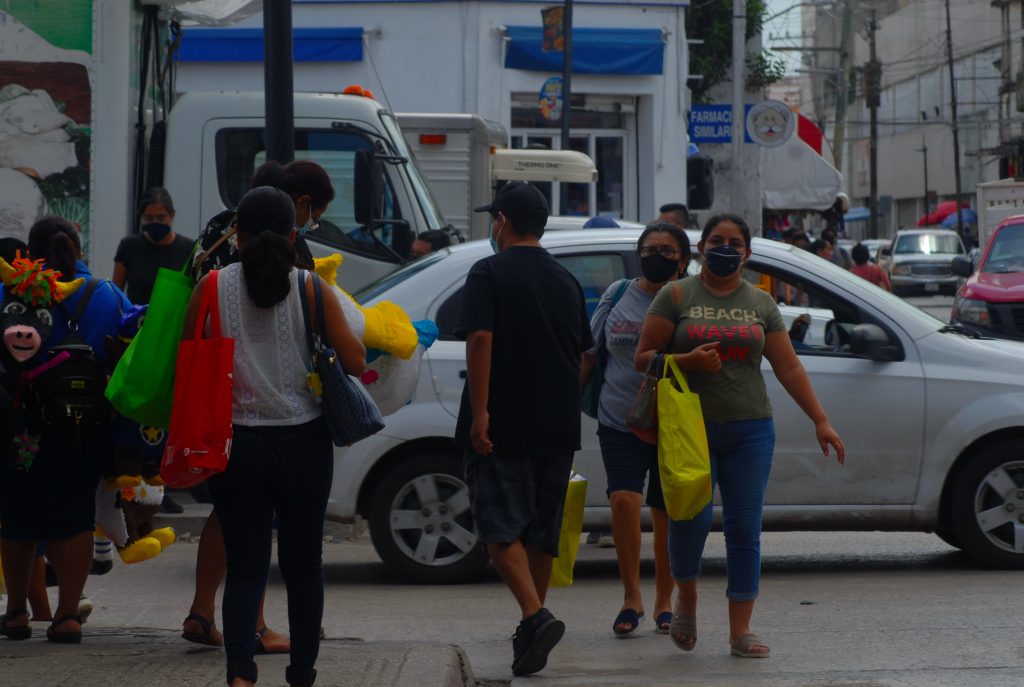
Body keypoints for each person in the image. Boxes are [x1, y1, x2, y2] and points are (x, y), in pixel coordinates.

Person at [634, 212, 845, 659]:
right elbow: (643, 357)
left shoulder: (760, 303)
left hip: (750, 430)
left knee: (744, 529)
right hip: (689, 431)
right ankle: (686, 602)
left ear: (747, 254)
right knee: (688, 523)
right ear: (701, 248)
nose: (724, 249)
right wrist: (687, 360)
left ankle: (741, 629)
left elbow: (788, 366)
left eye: (734, 243)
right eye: (716, 241)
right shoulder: (676, 295)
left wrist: (820, 419)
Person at [181, 186, 364, 687]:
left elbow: (189, 360)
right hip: (304, 445)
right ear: (292, 234)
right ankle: (301, 672)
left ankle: (241, 673)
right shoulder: (310, 287)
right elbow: (354, 361)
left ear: (236, 236)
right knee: (304, 567)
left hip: (236, 445)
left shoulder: (211, 286)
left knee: (245, 568)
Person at [456, 181, 592, 676]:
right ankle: (532, 628)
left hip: (503, 421)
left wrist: (481, 412)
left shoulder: (487, 271)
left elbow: (480, 339)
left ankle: (536, 616)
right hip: (558, 424)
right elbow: (586, 354)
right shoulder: (566, 279)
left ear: (504, 222)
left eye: (495, 219)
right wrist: (560, 398)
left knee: (498, 527)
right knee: (540, 533)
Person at [0, 217, 130, 644]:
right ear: (78, 250)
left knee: (18, 517)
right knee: (74, 516)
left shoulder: (9, 292)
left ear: (28, 254)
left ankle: (16, 613)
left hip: (21, 427)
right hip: (83, 427)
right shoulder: (104, 294)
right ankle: (67, 615)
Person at [581, 221, 690, 638]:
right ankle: (631, 598)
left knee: (666, 513)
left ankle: (664, 600)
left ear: (683, 261)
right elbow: (591, 353)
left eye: (667, 251)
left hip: (674, 424)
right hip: (619, 418)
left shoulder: (690, 298)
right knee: (624, 502)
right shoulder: (618, 293)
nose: (656, 257)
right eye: (649, 249)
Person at [190, 160, 335, 280]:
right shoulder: (285, 240)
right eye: (314, 218)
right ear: (303, 202)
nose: (310, 225)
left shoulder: (221, 222)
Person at [113, 187, 193, 305]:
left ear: (172, 215)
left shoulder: (189, 249)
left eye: (161, 218)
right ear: (141, 217)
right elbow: (115, 296)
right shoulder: (129, 246)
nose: (155, 222)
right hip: (138, 316)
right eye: (148, 218)